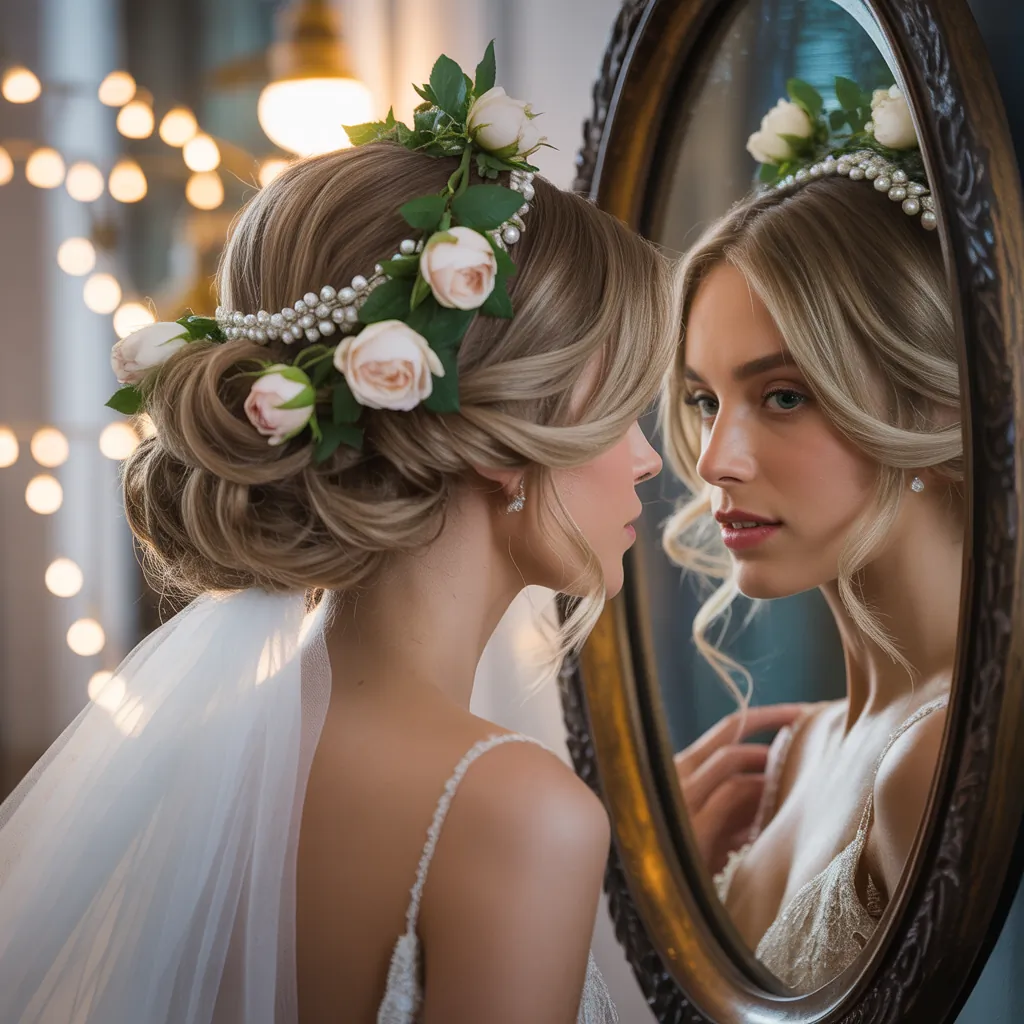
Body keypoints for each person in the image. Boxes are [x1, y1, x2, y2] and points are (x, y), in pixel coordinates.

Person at [0, 48, 680, 1023]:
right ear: (503, 438)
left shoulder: (195, 759)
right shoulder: (517, 813)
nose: (646, 460)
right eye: (617, 408)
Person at [662, 83, 962, 993]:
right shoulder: (789, 759)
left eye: (783, 396)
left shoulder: (936, 759)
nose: (715, 460)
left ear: (938, 402)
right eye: (705, 400)